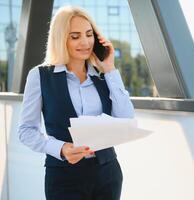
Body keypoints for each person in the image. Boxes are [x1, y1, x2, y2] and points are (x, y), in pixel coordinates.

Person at [17, 5, 134, 200]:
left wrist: (111, 69)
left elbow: (125, 120)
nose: (85, 42)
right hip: (64, 177)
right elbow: (26, 130)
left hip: (108, 174)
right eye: (75, 36)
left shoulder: (104, 75)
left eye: (89, 34)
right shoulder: (40, 76)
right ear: (61, 39)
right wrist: (60, 148)